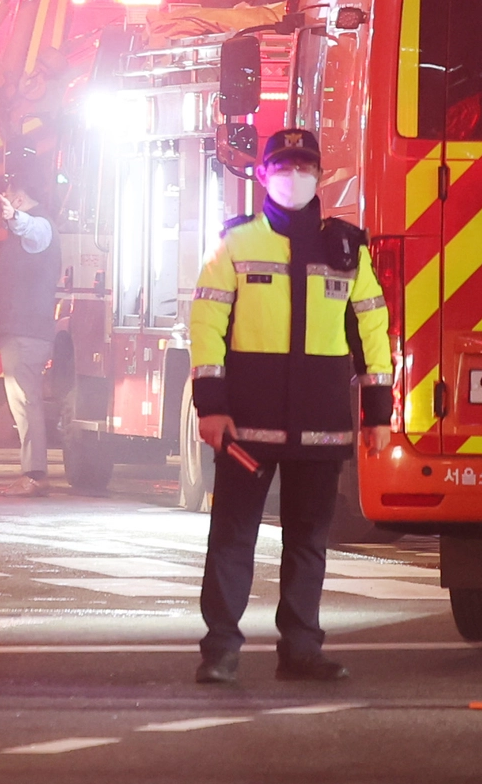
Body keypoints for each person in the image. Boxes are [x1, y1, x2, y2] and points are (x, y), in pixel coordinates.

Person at [185, 126, 394, 685]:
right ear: (262, 175)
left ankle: (301, 648)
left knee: (309, 540)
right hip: (246, 423)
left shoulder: (347, 247)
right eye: (283, 166)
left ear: (320, 176)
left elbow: (373, 325)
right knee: (232, 536)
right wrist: (211, 405)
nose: (294, 176)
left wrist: (379, 409)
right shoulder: (235, 243)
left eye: (304, 167)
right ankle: (220, 649)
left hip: (320, 425)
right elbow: (205, 325)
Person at [0, 180, 63, 497]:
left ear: (19, 198)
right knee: (22, 401)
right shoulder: (34, 228)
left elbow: (31, 230)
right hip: (21, 329)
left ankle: (34, 474)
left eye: (8, 200)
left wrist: (16, 218)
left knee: (26, 401)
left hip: (27, 330)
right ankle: (32, 473)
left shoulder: (39, 226)